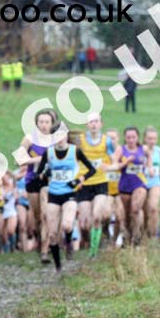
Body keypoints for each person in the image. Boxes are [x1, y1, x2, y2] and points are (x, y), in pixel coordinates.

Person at [36, 121, 97, 272]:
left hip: (70, 193)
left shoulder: (75, 151)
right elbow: (39, 174)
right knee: (52, 234)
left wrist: (79, 180)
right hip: (54, 194)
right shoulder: (49, 153)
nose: (60, 138)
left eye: (62, 135)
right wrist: (45, 174)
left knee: (67, 225)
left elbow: (91, 170)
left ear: (66, 135)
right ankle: (58, 267)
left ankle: (69, 243)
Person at [18, 109, 58, 264]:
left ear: (52, 123)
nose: (44, 125)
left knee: (45, 215)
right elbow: (19, 160)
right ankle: (38, 237)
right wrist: (39, 159)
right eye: (41, 122)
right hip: (32, 180)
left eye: (47, 122)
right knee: (37, 217)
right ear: (36, 123)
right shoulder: (29, 139)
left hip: (49, 181)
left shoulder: (56, 140)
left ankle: (44, 251)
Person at [77, 112, 115, 257]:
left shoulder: (107, 141)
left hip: (100, 182)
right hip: (85, 183)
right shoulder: (80, 140)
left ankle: (94, 251)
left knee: (97, 216)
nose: (93, 124)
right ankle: (88, 241)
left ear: (101, 124)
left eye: (96, 121)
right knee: (85, 223)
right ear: (87, 125)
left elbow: (114, 161)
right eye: (91, 122)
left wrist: (109, 167)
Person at [110, 126, 152, 246]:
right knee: (126, 216)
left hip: (140, 184)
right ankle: (126, 240)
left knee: (135, 209)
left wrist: (149, 167)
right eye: (128, 137)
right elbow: (115, 165)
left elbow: (149, 156)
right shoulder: (121, 149)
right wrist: (126, 162)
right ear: (125, 138)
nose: (131, 140)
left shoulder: (143, 148)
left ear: (137, 137)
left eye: (133, 137)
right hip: (125, 185)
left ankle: (136, 237)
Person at [143, 126, 160, 240]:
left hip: (155, 181)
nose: (152, 141)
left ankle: (154, 235)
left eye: (154, 138)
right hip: (142, 182)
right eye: (150, 138)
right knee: (144, 210)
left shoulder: (159, 150)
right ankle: (143, 234)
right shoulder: (141, 149)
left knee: (153, 208)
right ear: (145, 139)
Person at [1, 172, 18, 253]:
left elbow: (16, 197)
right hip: (2, 211)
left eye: (7, 177)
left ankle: (13, 247)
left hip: (11, 210)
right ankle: (6, 249)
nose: (6, 179)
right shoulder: (0, 188)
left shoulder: (13, 186)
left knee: (11, 230)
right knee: (3, 233)